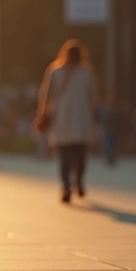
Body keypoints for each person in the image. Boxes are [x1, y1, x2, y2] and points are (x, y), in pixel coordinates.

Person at [36, 39, 98, 204]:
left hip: (61, 118)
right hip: (82, 120)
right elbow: (94, 99)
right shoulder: (87, 73)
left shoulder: (55, 71)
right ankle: (78, 181)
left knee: (64, 156)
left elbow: (46, 95)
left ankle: (66, 187)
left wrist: (42, 113)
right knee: (80, 154)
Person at [94, 90, 123, 168]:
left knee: (113, 145)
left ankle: (112, 159)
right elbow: (98, 118)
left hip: (113, 130)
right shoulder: (103, 109)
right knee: (106, 145)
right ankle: (108, 159)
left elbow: (118, 119)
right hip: (106, 130)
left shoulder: (116, 109)